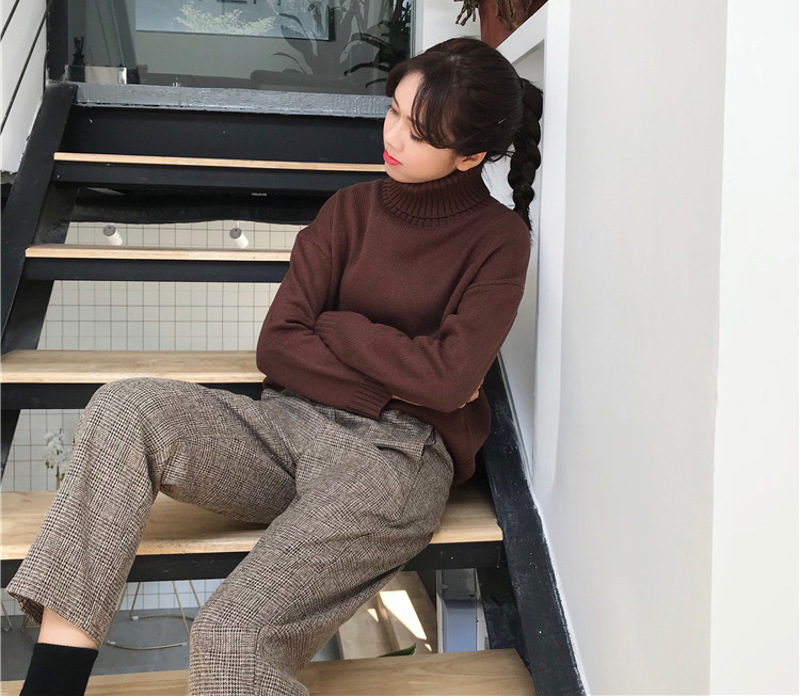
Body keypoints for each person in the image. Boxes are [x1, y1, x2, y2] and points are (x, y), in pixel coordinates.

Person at [7, 36, 544, 696]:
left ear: (470, 156)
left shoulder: (499, 240)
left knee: (232, 636)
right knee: (124, 410)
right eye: (394, 111)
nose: (394, 136)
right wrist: (398, 374)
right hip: (285, 427)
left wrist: (339, 327)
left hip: (394, 458)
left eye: (419, 132)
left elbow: (450, 379)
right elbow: (280, 345)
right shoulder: (349, 211)